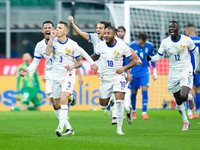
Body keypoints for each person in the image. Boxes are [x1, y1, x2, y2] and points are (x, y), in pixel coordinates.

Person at [45, 21, 97, 137]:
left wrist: (72, 66)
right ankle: (69, 127)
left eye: (59, 28)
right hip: (56, 76)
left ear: (66, 31)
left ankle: (60, 126)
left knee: (63, 99)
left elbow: (79, 63)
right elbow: (48, 53)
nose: (56, 29)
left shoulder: (73, 45)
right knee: (57, 104)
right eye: (56, 27)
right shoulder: (53, 42)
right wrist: (51, 39)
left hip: (68, 75)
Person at [146, 21, 200, 130]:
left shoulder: (186, 40)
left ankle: (189, 98)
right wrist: (151, 58)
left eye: (173, 27)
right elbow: (159, 56)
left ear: (178, 28)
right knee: (178, 100)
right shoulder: (165, 42)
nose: (171, 29)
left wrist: (197, 68)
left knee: (183, 95)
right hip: (173, 73)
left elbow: (196, 52)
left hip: (185, 71)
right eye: (169, 27)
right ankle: (185, 121)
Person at [19, 21, 75, 121]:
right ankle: (65, 124)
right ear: (43, 31)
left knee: (62, 97)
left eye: (50, 27)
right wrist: (28, 69)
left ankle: (65, 125)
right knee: (55, 103)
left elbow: (71, 56)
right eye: (45, 28)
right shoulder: (40, 45)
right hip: (50, 75)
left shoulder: (60, 41)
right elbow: (36, 62)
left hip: (62, 73)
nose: (48, 29)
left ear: (53, 30)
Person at [91, 26, 137, 135]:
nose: (106, 35)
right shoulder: (100, 44)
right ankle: (127, 108)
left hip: (118, 76)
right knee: (103, 105)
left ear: (114, 35)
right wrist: (86, 60)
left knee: (119, 101)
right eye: (105, 33)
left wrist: (124, 68)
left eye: (108, 33)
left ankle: (119, 129)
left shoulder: (122, 46)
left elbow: (133, 61)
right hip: (105, 78)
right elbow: (96, 56)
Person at [125, 32, 157, 120]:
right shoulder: (131, 45)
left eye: (144, 43)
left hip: (144, 72)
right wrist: (128, 73)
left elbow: (152, 58)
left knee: (144, 90)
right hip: (134, 72)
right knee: (133, 93)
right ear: (138, 40)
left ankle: (144, 113)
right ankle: (134, 111)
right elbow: (127, 60)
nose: (142, 45)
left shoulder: (149, 46)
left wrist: (154, 70)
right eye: (141, 43)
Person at [184, 23, 200, 119]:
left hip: (188, 67)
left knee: (187, 89)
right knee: (198, 89)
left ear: (188, 31)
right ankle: (197, 112)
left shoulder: (186, 40)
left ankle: (189, 112)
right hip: (198, 68)